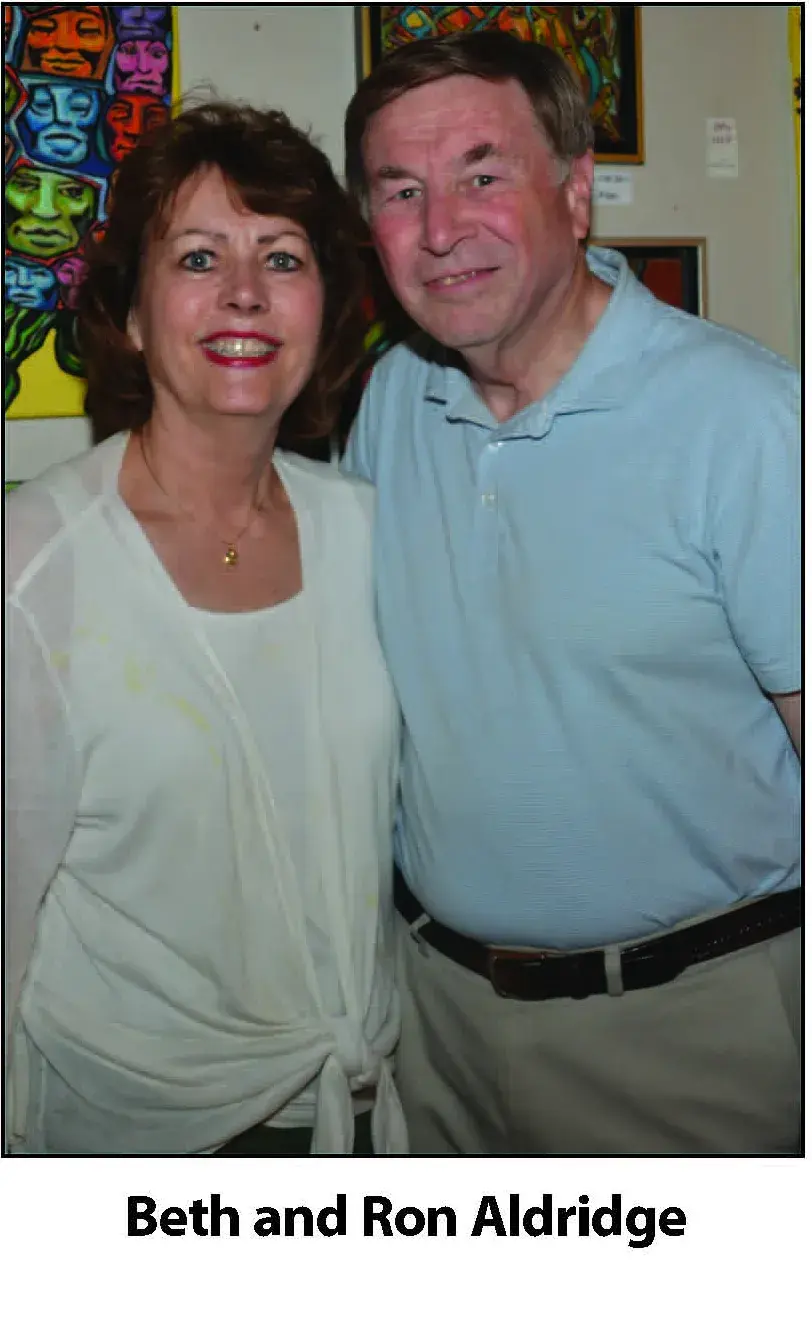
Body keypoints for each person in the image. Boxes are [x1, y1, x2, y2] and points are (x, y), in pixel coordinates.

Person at [342, 30, 801, 1155]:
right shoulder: (391, 402)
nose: (440, 229)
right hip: (434, 1028)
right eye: (401, 190)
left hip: (692, 1034)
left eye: (481, 175)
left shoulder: (743, 418)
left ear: (577, 192)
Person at [5, 101, 407, 1156]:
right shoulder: (34, 565)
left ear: (327, 308)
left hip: (359, 1120)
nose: (243, 292)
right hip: (128, 1140)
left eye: (282, 257)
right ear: (131, 315)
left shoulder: (369, 533)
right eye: (197, 256)